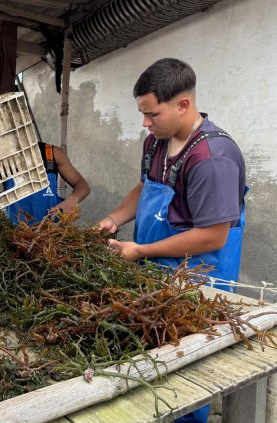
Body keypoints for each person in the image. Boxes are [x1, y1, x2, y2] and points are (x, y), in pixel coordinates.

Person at [97, 58, 246, 423]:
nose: (145, 123)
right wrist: (113, 219)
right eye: (142, 114)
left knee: (187, 375)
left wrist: (140, 251)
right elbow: (144, 187)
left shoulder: (212, 158)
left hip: (198, 278)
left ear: (183, 105)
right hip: (153, 269)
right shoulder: (156, 142)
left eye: (153, 114)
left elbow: (213, 235)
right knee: (151, 364)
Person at [5, 141, 90, 224]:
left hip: (52, 231)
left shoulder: (51, 153)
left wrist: (73, 199)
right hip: (14, 232)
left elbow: (82, 185)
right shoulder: (2, 158)